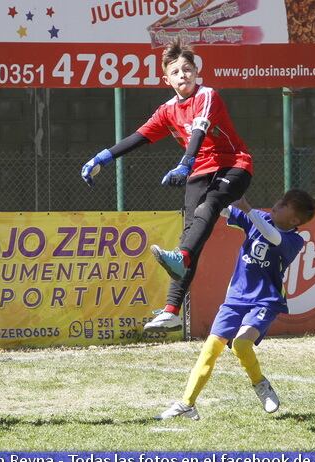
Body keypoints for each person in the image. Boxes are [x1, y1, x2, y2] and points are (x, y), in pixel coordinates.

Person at [81, 39, 253, 332]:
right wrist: (102, 158)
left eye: (188, 69)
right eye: (176, 72)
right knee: (190, 238)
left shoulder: (207, 95)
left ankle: (183, 257)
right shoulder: (168, 110)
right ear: (166, 79)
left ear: (197, 72)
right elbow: (139, 137)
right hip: (199, 171)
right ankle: (172, 311)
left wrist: (185, 164)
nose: (183, 75)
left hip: (233, 165)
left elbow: (198, 132)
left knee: (209, 206)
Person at [158, 190, 315, 420]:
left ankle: (261, 384)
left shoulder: (294, 240)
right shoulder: (259, 218)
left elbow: (273, 237)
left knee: (242, 345)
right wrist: (211, 192)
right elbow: (223, 210)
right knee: (210, 350)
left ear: (294, 220)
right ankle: (187, 404)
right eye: (280, 199)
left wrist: (249, 210)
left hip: (265, 301)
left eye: (284, 205)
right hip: (235, 299)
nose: (277, 203)